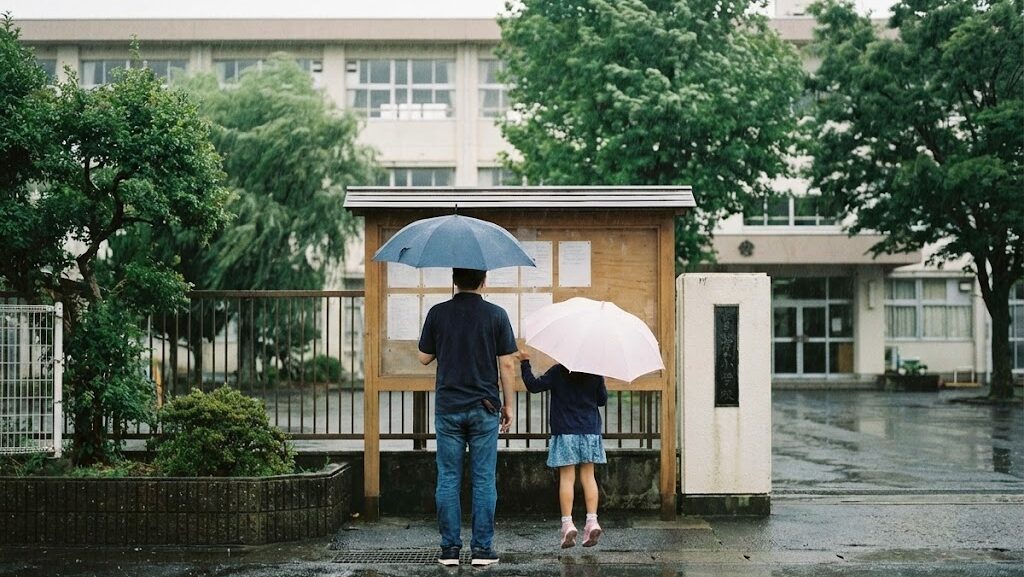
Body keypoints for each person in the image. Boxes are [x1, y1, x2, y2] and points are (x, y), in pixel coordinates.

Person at [418, 268, 517, 567]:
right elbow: (508, 366)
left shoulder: (438, 313)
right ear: (484, 281)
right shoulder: (497, 315)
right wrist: (508, 405)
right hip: (485, 407)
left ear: (454, 281)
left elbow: (423, 356)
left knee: (448, 478)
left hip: (448, 408)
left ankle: (449, 551)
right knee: (484, 479)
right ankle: (482, 550)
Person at [518, 349, 607, 548]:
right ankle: (592, 520)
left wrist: (525, 363)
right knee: (588, 476)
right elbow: (601, 400)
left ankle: (567, 524)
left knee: (567, 477)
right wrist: (600, 380)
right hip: (589, 431)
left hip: (565, 431)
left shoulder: (558, 372)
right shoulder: (595, 374)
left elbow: (533, 386)